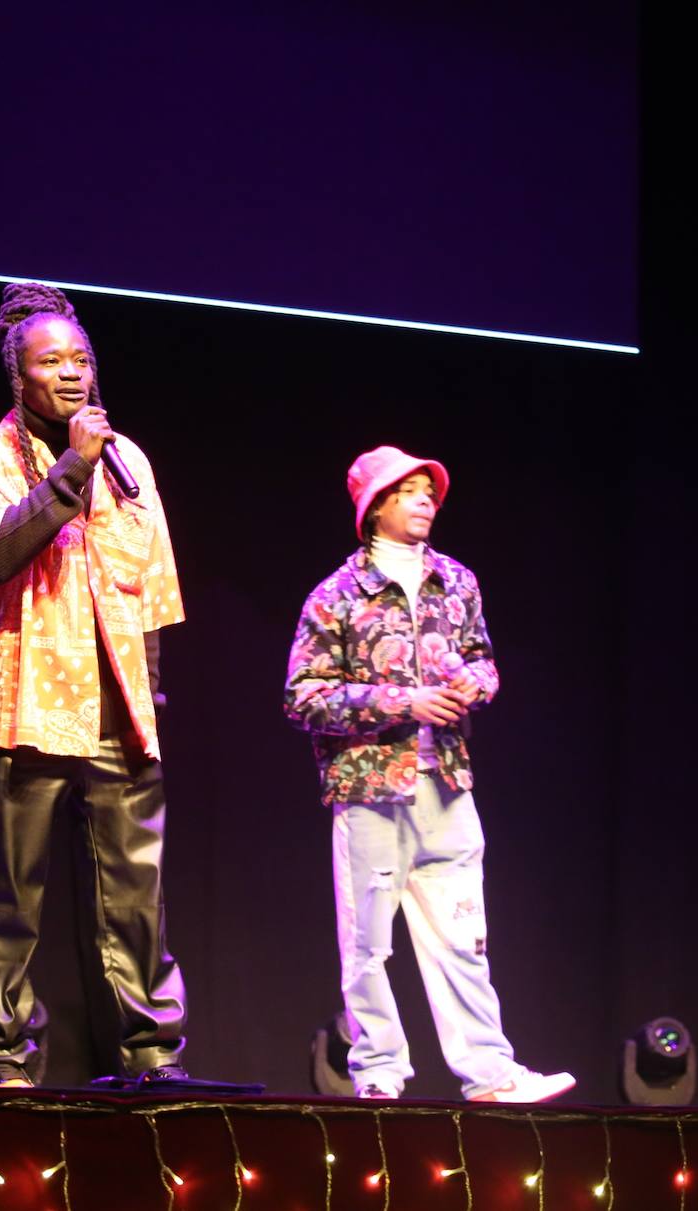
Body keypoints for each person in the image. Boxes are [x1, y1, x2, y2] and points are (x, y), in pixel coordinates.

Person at [0, 283, 190, 1088]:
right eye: (53, 361)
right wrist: (71, 467)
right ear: (20, 374)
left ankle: (153, 1055)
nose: (73, 373)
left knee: (136, 897)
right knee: (11, 895)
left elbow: (151, 591)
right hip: (29, 701)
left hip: (120, 706)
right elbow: (1, 553)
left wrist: (149, 696)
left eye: (82, 358)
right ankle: (3, 1055)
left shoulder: (131, 461)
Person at [284, 445, 575, 1103]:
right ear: (375, 505)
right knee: (369, 946)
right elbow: (302, 696)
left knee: (463, 938)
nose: (424, 500)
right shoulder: (337, 595)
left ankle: (490, 1072)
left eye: (428, 490)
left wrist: (469, 686)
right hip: (370, 789)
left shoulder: (459, 582)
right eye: (408, 490)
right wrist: (400, 701)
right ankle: (379, 1072)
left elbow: (484, 661)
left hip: (445, 782)